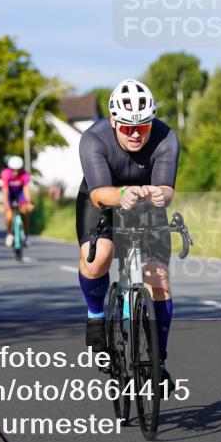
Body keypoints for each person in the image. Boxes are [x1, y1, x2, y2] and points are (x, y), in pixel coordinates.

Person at [76, 78, 179, 386]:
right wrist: (122, 195)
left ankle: (158, 362)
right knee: (99, 258)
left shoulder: (166, 137)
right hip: (103, 201)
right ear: (113, 122)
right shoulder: (93, 139)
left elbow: (166, 188)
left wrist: (160, 195)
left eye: (143, 126)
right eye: (127, 127)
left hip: (146, 203)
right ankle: (96, 316)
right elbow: (98, 194)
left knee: (158, 278)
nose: (136, 134)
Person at [0, 156, 34, 248]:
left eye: (17, 170)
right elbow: (5, 190)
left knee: (24, 213)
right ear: (10, 169)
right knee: (9, 216)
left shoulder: (24, 174)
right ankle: (9, 234)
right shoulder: (5, 174)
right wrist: (6, 204)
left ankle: (26, 237)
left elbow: (26, 189)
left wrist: (28, 202)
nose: (15, 172)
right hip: (10, 194)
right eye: (13, 170)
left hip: (20, 194)